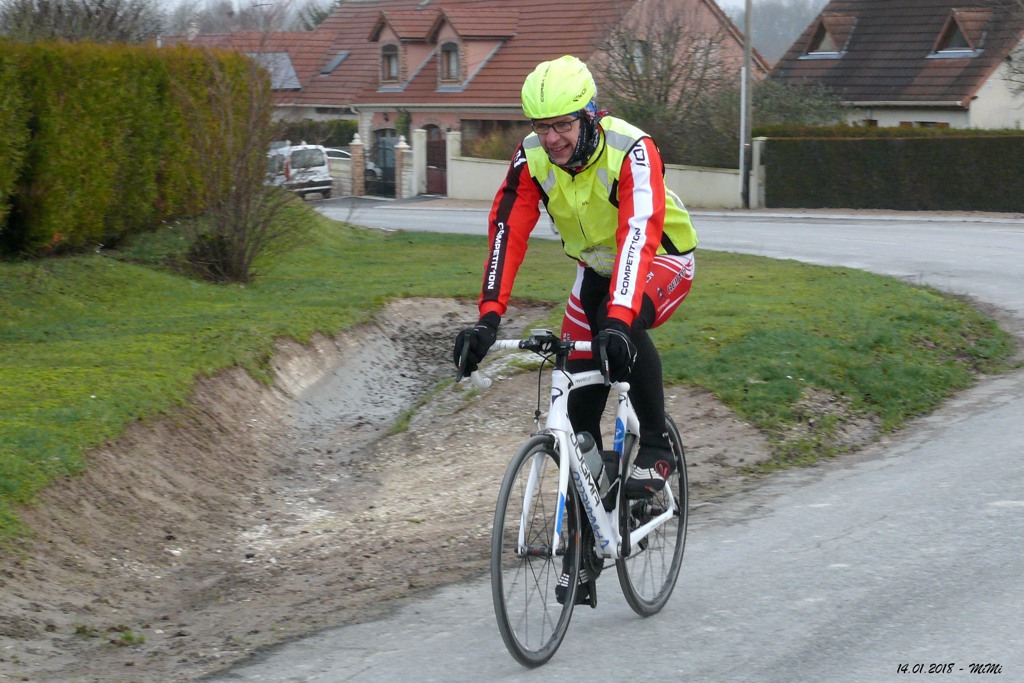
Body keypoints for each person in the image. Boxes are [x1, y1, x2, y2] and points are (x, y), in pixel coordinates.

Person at [453, 56, 697, 599]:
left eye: (563, 125)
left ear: (590, 116)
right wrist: (487, 319)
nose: (552, 139)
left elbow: (638, 234)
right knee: (578, 406)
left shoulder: (632, 150)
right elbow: (506, 233)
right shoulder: (532, 159)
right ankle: (586, 540)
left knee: (619, 326)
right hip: (596, 268)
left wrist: (618, 319)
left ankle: (656, 445)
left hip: (661, 258)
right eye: (542, 126)